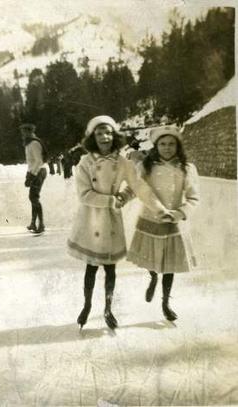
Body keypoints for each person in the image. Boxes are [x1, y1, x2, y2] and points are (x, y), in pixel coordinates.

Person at [67, 116, 171, 330]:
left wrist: (154, 207)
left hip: (111, 222)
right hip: (91, 219)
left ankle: (107, 307)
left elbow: (139, 186)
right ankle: (86, 305)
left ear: (114, 135)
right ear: (92, 138)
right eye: (99, 133)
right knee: (91, 266)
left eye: (108, 132)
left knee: (110, 267)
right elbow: (84, 194)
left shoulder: (123, 163)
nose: (104, 137)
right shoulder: (85, 163)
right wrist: (111, 200)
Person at [127, 126, 200, 321]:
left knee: (169, 265)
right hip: (151, 219)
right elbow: (135, 188)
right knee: (152, 258)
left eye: (171, 144)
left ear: (178, 146)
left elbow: (194, 198)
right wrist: (121, 197)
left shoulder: (186, 168)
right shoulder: (147, 166)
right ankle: (152, 276)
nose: (167, 148)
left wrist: (180, 213)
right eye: (162, 144)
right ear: (156, 146)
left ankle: (165, 301)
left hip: (172, 221)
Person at [20, 123, 47, 234]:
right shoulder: (28, 144)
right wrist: (28, 174)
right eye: (23, 132)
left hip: (39, 171)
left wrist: (32, 175)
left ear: (30, 132)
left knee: (33, 197)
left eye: (26, 132)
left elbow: (38, 161)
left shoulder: (34, 143)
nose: (24, 134)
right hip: (35, 171)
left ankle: (41, 224)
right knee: (33, 197)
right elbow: (31, 162)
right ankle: (33, 223)